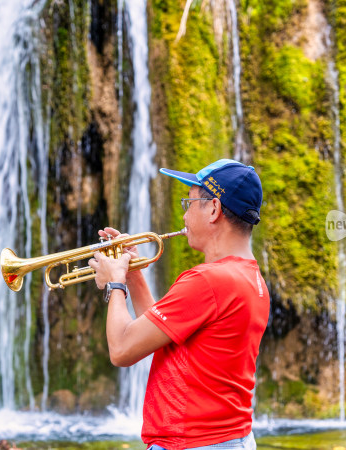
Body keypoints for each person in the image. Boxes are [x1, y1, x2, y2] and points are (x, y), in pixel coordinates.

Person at [88, 159, 269, 450]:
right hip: (229, 440)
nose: (184, 215)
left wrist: (115, 283)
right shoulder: (249, 277)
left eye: (190, 203)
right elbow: (159, 337)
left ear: (214, 210)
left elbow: (122, 350)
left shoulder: (208, 281)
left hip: (192, 443)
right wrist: (133, 275)